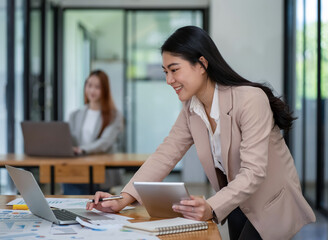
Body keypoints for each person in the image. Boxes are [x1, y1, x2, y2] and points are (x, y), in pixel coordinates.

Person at [86, 26, 315, 239]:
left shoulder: (250, 100)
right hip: (235, 202)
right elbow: (165, 154)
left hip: (270, 204)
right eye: (166, 71)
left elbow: (254, 172)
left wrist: (212, 206)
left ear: (202, 64)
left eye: (174, 70)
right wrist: (122, 199)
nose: (169, 80)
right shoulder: (191, 109)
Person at [63, 70, 124, 195]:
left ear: (105, 90)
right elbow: (67, 138)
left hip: (100, 174)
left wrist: (82, 149)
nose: (92, 90)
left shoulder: (114, 116)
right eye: (89, 85)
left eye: (97, 87)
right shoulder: (75, 115)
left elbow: (104, 142)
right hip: (76, 170)